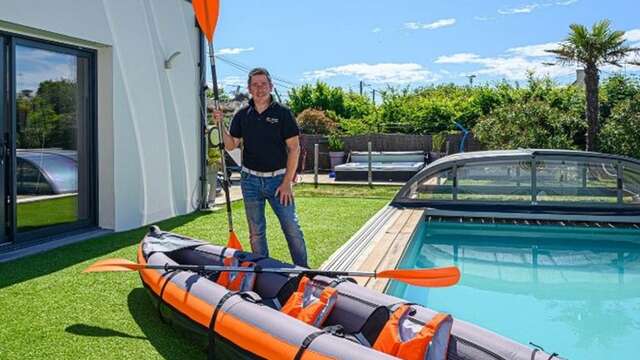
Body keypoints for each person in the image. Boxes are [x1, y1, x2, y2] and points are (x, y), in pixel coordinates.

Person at [212, 67, 308, 268]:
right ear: (249, 88)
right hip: (250, 181)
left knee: (292, 227)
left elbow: (294, 148)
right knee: (256, 232)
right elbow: (231, 145)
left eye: (263, 84)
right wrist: (221, 124)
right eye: (255, 84)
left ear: (271, 86)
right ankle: (263, 270)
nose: (259, 88)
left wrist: (287, 183)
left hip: (278, 181)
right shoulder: (242, 115)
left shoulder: (283, 114)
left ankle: (303, 271)